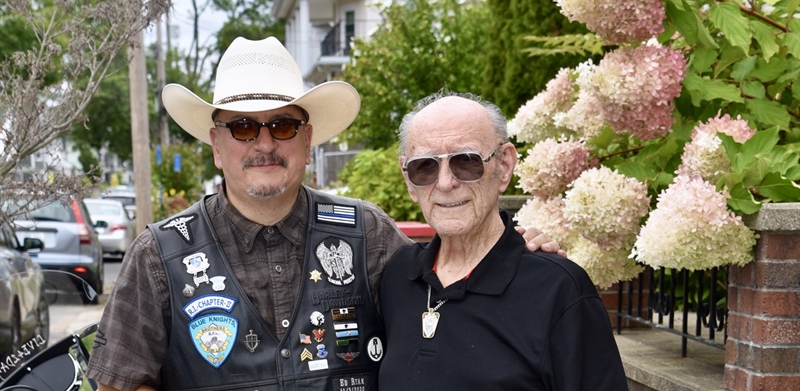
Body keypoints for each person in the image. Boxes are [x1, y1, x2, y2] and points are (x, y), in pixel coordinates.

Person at [86, 36, 559, 391]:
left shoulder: (367, 233)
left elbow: (452, 300)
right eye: (244, 127)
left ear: (308, 139)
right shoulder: (159, 255)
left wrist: (513, 250)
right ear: (216, 144)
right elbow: (119, 383)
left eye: (283, 125)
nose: (265, 143)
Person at [378, 91, 628, 390]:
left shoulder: (559, 290)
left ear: (504, 165)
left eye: (466, 161)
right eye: (425, 166)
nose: (445, 183)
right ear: (408, 179)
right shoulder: (396, 276)